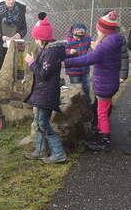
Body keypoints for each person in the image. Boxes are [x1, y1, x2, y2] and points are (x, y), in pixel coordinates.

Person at [65, 11, 124, 151]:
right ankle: (99, 131)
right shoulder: (115, 40)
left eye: (98, 28)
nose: (96, 30)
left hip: (105, 84)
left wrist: (65, 63)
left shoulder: (105, 46)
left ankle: (104, 140)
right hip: (110, 82)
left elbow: (87, 59)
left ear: (103, 30)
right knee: (103, 109)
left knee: (102, 112)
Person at [24, 12, 67, 164]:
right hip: (43, 93)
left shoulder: (50, 52)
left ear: (42, 38)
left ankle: (59, 153)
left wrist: (31, 63)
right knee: (39, 121)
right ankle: (40, 150)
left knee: (43, 123)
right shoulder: (47, 50)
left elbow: (43, 74)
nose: (35, 40)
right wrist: (36, 61)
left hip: (47, 94)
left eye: (36, 38)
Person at [63, 23, 91, 103]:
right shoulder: (67, 40)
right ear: (72, 33)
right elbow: (61, 51)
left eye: (81, 37)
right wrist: (69, 52)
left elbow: (91, 44)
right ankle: (78, 105)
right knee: (77, 88)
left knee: (86, 87)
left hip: (85, 68)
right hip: (73, 70)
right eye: (77, 37)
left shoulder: (87, 38)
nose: (79, 39)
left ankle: (87, 102)